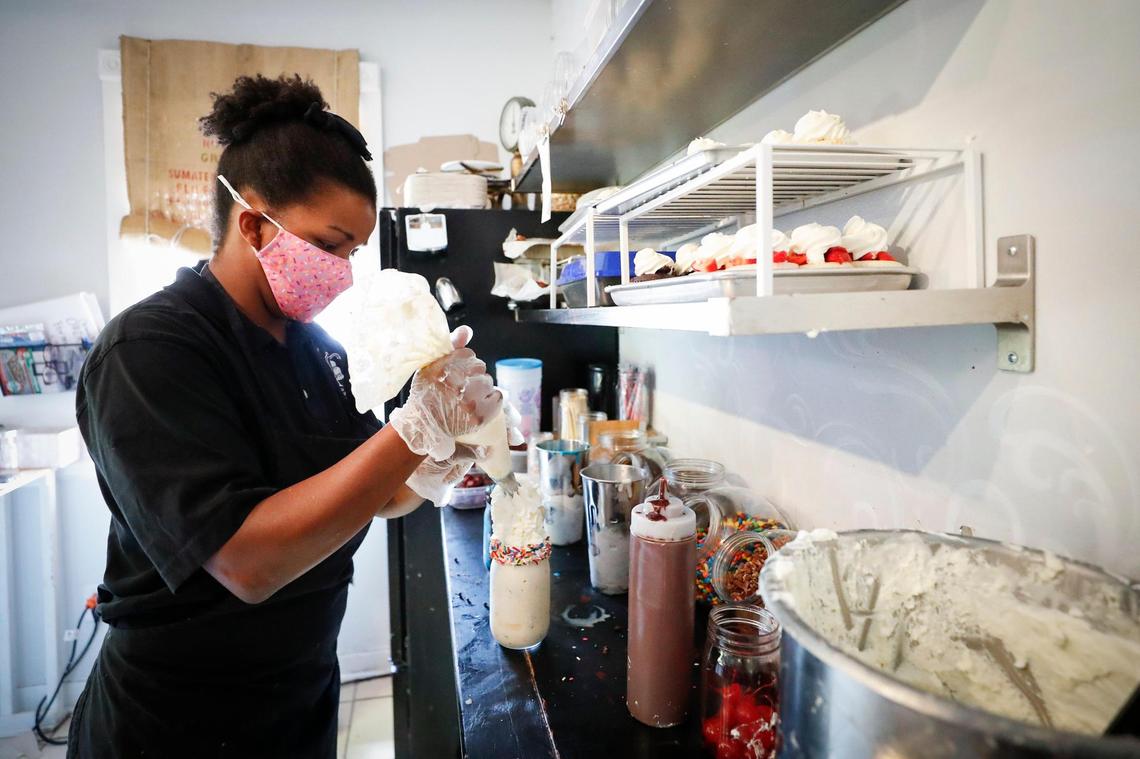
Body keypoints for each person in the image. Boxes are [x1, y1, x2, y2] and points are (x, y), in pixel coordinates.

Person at [68, 74, 501, 758]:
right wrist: (413, 428)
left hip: (298, 705)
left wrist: (436, 457)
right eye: (330, 245)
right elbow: (248, 562)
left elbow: (372, 490)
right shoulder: (149, 351)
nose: (344, 271)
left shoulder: (315, 351)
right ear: (253, 222)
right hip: (175, 723)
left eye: (355, 251)